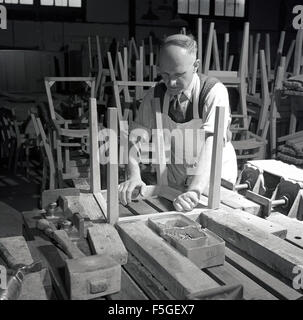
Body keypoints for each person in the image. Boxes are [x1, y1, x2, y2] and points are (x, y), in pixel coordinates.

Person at [118, 34, 237, 212]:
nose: (171, 82)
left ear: (195, 66)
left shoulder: (213, 92)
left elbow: (213, 142)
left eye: (179, 74)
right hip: (176, 179)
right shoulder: (155, 95)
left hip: (212, 181)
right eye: (165, 74)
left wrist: (195, 190)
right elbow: (136, 136)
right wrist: (134, 174)